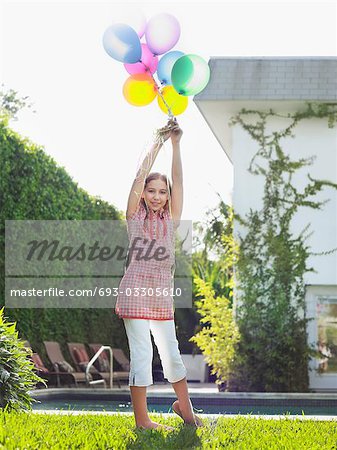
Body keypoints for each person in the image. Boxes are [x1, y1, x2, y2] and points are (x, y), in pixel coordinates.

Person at [115, 118, 202, 430]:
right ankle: (143, 422)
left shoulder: (171, 219)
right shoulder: (135, 217)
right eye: (150, 191)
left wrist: (177, 145)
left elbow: (179, 182)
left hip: (160, 296)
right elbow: (138, 178)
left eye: (161, 192)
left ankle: (187, 414)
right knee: (142, 354)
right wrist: (159, 141)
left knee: (172, 355)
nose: (155, 195)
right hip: (135, 291)